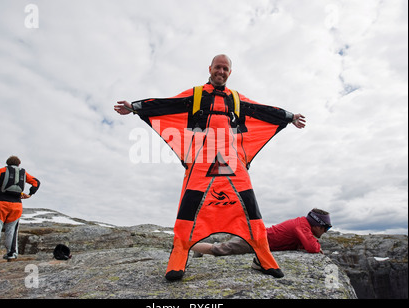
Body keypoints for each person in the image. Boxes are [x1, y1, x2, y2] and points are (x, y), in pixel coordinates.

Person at [114, 54, 306, 280]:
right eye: (218, 67)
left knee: (250, 207)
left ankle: (264, 256)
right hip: (201, 162)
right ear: (210, 68)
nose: (221, 72)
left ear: (230, 73)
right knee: (189, 206)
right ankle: (178, 257)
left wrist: (290, 116)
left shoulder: (235, 99)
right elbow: (166, 105)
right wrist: (136, 107)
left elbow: (261, 110)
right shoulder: (195, 95)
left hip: (232, 162)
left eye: (225, 69)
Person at [191, 208, 332, 262]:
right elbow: (312, 247)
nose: (325, 232)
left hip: (258, 239)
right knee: (220, 250)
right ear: (317, 225)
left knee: (221, 248)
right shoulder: (301, 226)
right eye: (325, 228)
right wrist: (316, 246)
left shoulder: (302, 225)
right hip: (255, 240)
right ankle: (188, 245)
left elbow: (304, 246)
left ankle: (197, 250)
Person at [0, 156, 40, 264]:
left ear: (7, 163)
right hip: (16, 205)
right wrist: (30, 194)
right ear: (18, 164)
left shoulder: (1, 171)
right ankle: (11, 254)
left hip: (1, 203)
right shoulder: (24, 173)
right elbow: (36, 182)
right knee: (12, 230)